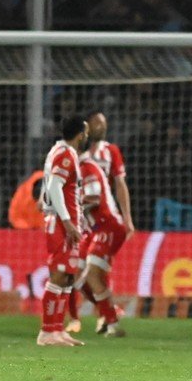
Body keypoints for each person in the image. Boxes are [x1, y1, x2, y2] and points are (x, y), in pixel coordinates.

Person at [74, 111, 133, 333]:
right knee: (78, 275)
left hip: (106, 219)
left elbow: (119, 185)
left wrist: (127, 217)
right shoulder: (79, 156)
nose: (102, 126)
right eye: (97, 122)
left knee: (94, 271)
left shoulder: (110, 152)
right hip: (89, 224)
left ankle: (109, 318)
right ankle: (108, 312)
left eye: (104, 123)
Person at [38, 115, 90, 346]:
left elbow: (49, 186)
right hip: (62, 224)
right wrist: (68, 222)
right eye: (85, 132)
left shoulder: (58, 152)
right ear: (80, 134)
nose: (87, 136)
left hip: (67, 221)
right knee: (59, 274)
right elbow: (54, 185)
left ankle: (57, 329)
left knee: (68, 277)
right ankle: (47, 331)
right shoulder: (66, 155)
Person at [77, 146, 127, 338]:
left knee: (93, 275)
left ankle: (112, 322)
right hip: (93, 230)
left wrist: (69, 207)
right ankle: (110, 311)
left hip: (108, 225)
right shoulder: (78, 168)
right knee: (77, 276)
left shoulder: (87, 167)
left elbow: (93, 199)